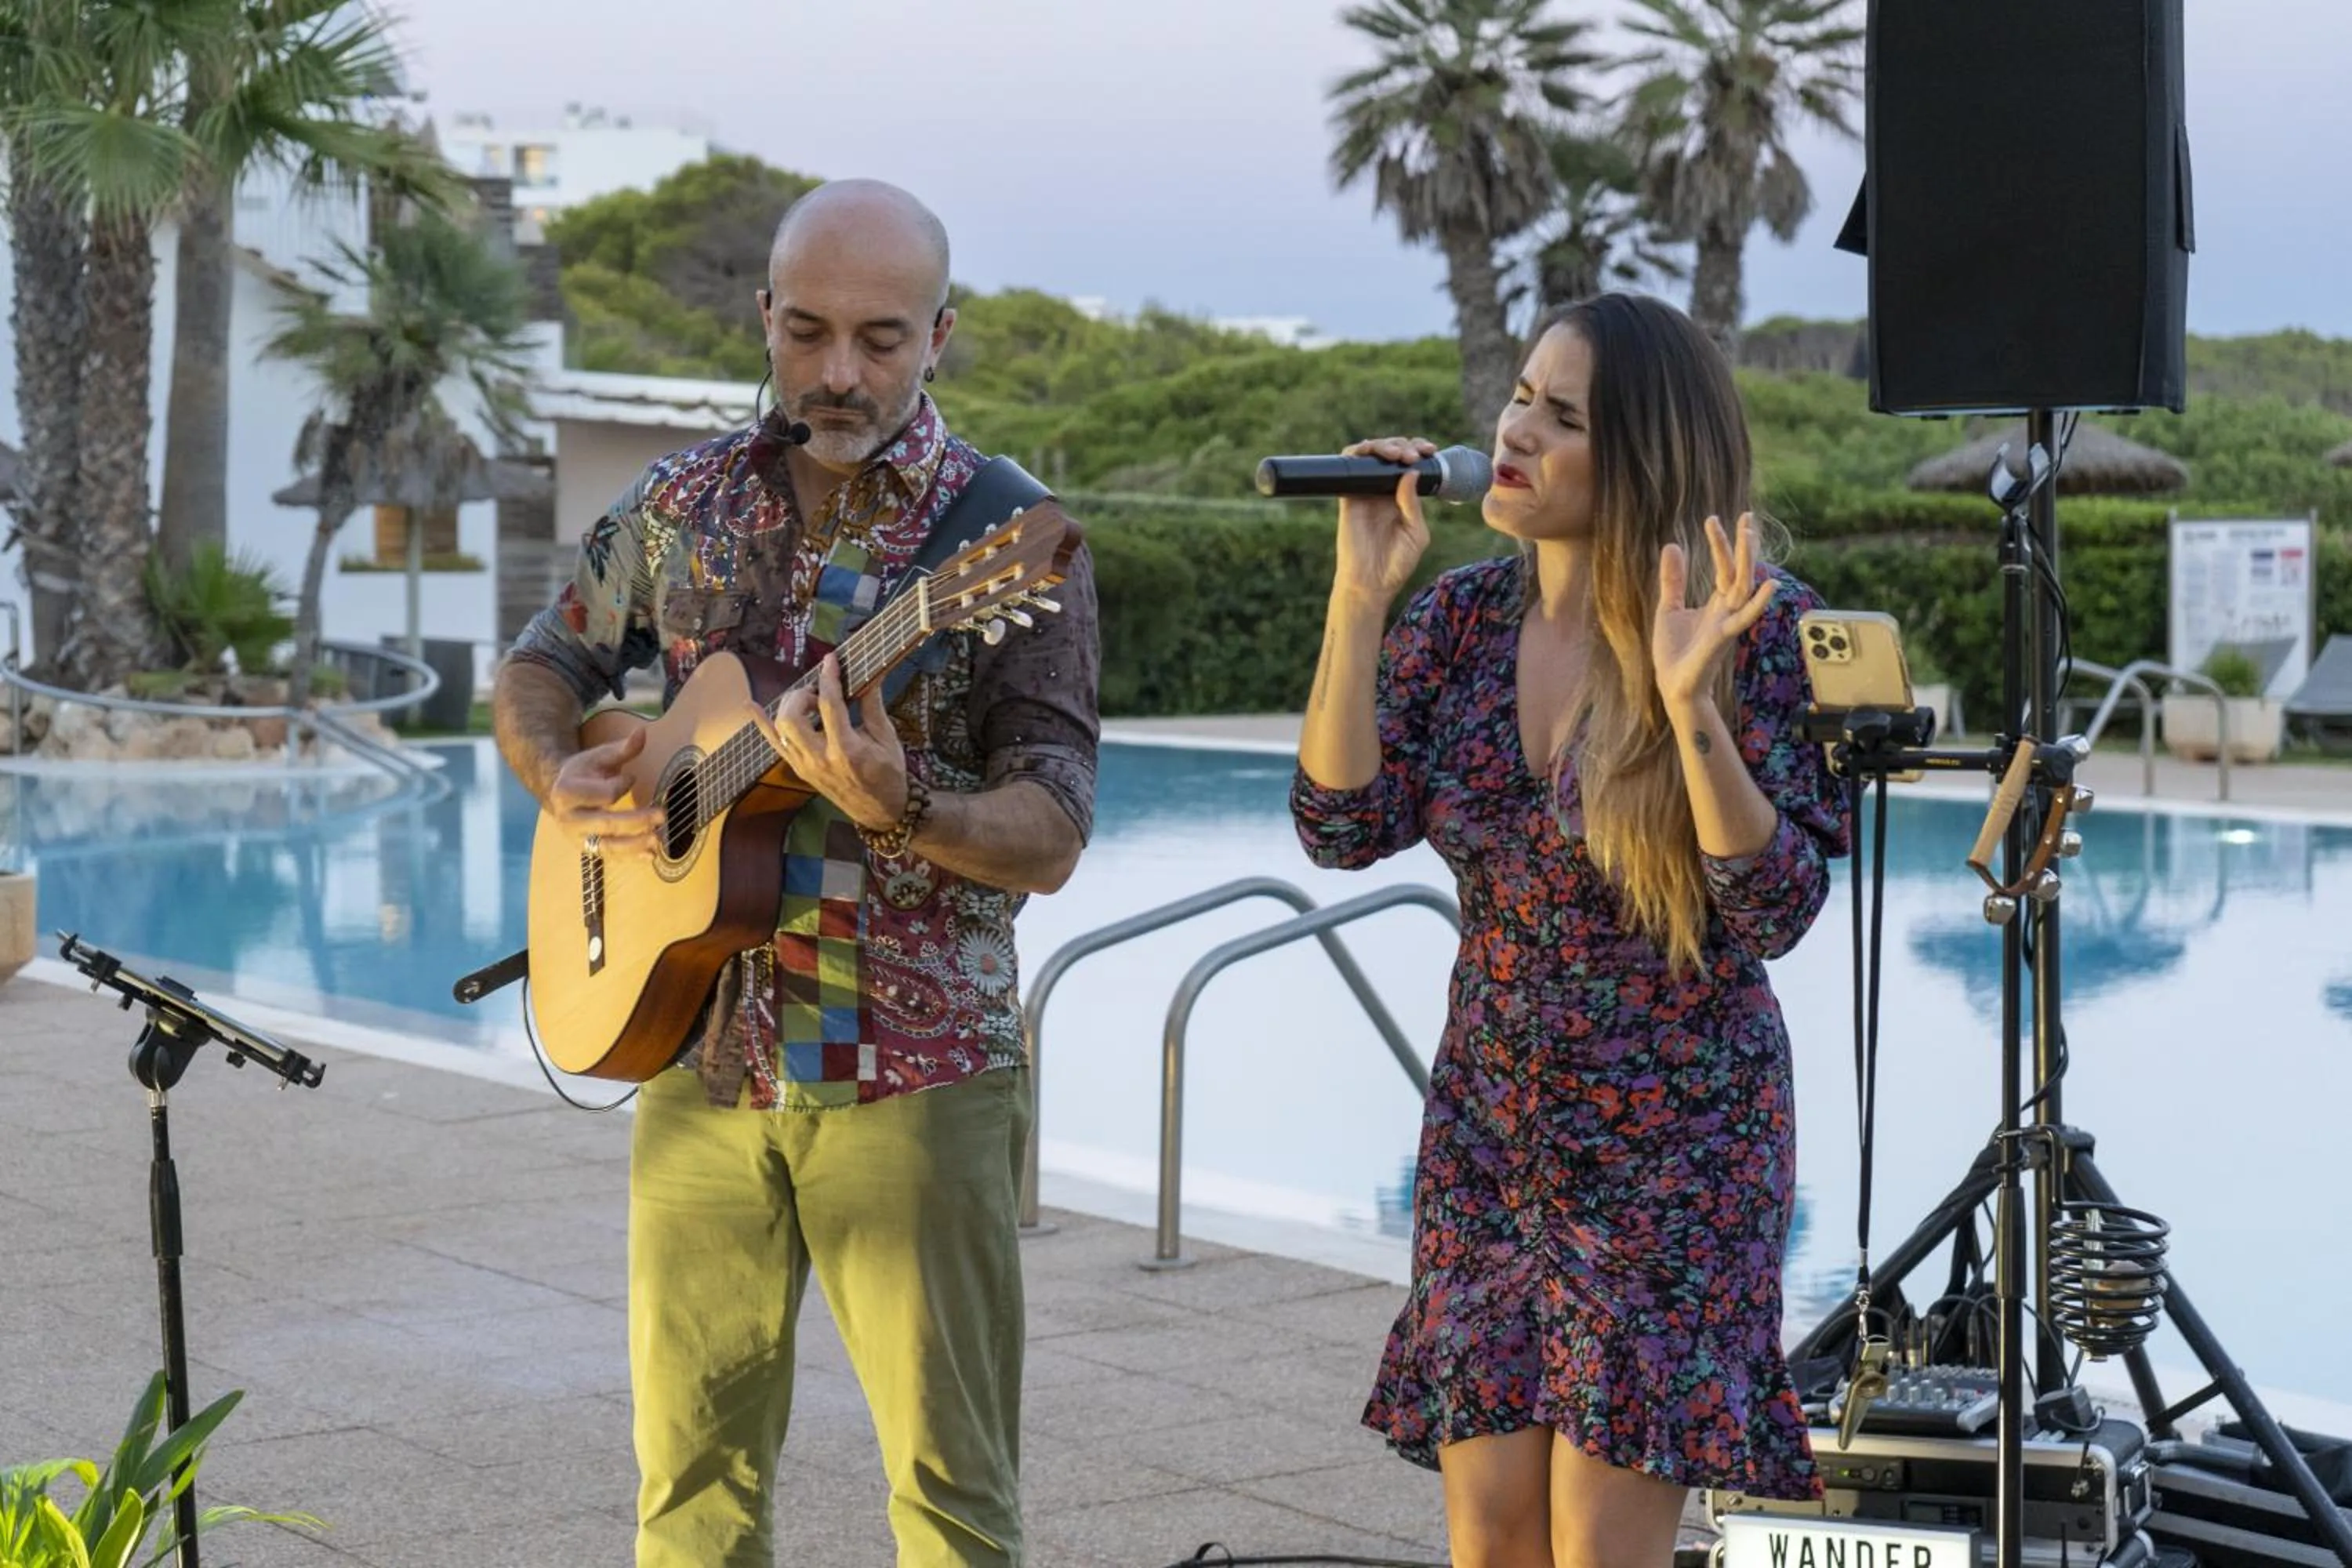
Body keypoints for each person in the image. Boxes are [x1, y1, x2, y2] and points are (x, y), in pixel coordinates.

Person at [492, 179, 1100, 1568]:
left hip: (912, 1073)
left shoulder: (1006, 539)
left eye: (881, 339)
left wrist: (907, 804)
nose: (840, 372)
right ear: (763, 316)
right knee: (689, 1496)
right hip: (694, 1054)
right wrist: (559, 779)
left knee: (952, 1505)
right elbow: (544, 660)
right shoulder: (680, 499)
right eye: (809, 331)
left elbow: (1055, 827)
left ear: (941, 334)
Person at [1290, 292, 1849, 1568]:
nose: (1516, 433)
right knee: (1491, 1534)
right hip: (1492, 1126)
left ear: (1643, 456)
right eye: (1520, 400)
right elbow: (1338, 824)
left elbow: (1776, 909)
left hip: (1678, 1141)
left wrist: (1687, 703)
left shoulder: (1744, 625)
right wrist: (1360, 598)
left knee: (1602, 1546)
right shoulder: (1463, 624)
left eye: (1564, 417)